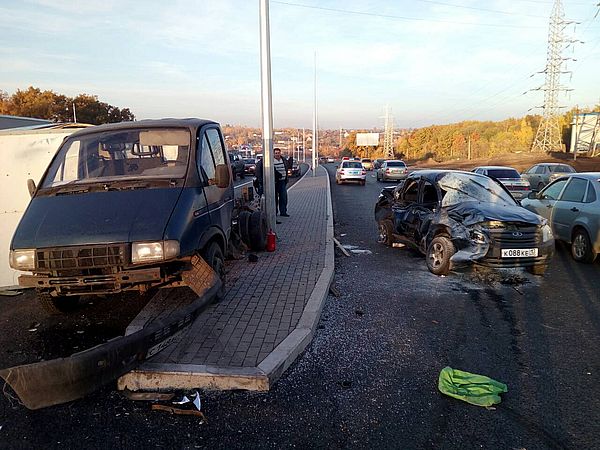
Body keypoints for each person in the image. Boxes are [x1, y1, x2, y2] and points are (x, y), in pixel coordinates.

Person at [254, 148, 291, 216]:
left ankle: (283, 212)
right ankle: (275, 213)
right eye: (276, 153)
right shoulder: (270, 161)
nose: (277, 154)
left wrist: (286, 178)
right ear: (273, 154)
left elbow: (287, 168)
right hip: (274, 182)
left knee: (283, 197)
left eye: (278, 153)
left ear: (280, 153)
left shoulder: (283, 160)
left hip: (282, 181)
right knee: (274, 198)